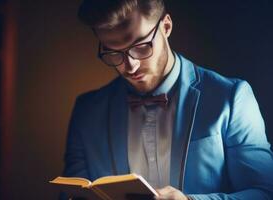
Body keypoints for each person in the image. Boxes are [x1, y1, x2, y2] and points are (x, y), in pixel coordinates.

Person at [61, 0, 273, 199]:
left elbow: (265, 193)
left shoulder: (232, 97)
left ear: (166, 26)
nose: (130, 65)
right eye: (113, 52)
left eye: (141, 46)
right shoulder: (87, 111)